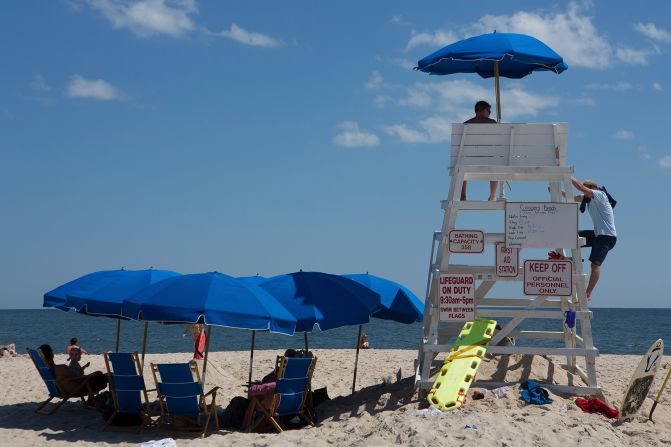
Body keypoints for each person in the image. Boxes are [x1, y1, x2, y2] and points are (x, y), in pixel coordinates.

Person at [563, 177, 617, 299]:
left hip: (607, 237)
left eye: (587, 190)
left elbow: (581, 188)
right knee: (571, 235)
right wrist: (555, 191)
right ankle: (566, 259)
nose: (584, 194)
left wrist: (567, 176)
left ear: (592, 188)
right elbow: (573, 197)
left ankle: (588, 292)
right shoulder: (589, 199)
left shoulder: (600, 194)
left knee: (595, 265)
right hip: (597, 235)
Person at [38, 344, 108, 401]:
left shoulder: (47, 370)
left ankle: (91, 401)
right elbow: (79, 380)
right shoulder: (61, 368)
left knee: (98, 374)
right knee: (105, 375)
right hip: (77, 388)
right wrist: (91, 375)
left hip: (59, 390)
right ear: (51, 354)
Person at [462, 100, 499, 201]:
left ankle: (463, 194)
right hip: (489, 160)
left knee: (462, 163)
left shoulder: (465, 124)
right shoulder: (492, 123)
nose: (489, 113)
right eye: (489, 111)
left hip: (468, 161)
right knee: (498, 161)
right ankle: (492, 195)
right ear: (482, 110)